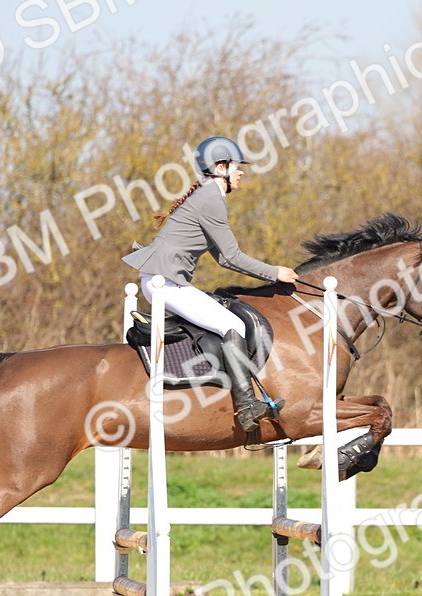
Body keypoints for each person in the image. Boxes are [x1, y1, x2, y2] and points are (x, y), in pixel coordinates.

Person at [123, 136, 298, 432]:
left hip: (161, 279)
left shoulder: (207, 195)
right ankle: (246, 407)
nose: (241, 172)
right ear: (220, 167)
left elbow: (222, 258)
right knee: (234, 326)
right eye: (236, 167)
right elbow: (232, 256)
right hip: (164, 282)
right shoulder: (211, 198)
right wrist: (274, 272)